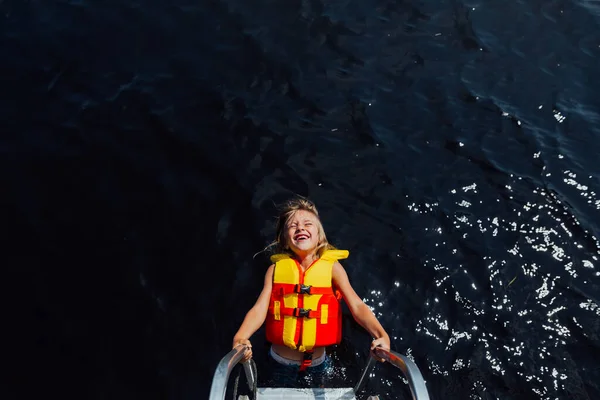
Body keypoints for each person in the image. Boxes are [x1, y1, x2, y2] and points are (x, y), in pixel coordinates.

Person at [232, 196, 391, 387]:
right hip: (280, 362)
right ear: (284, 238)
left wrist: (381, 334)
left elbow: (357, 306)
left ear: (319, 236)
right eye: (293, 226)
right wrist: (241, 337)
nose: (300, 228)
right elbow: (259, 309)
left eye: (308, 224)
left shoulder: (333, 268)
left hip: (318, 363)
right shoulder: (275, 270)